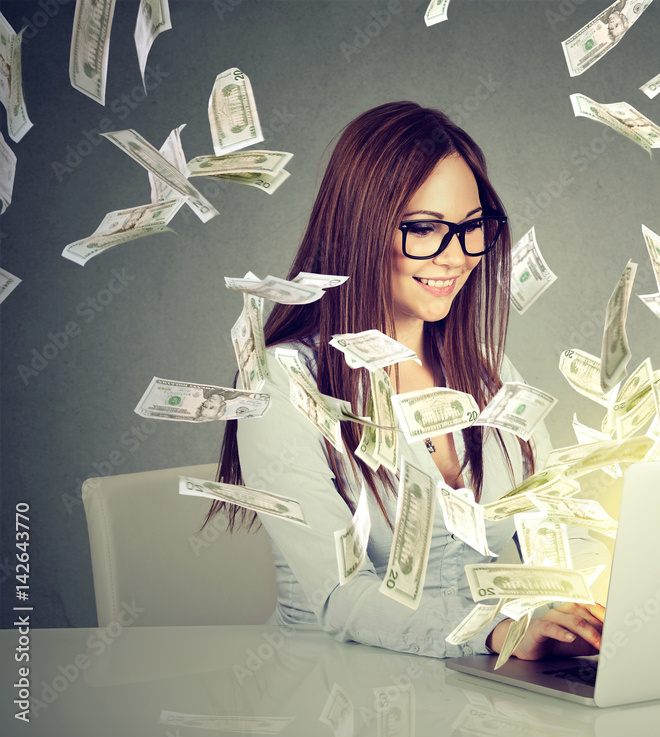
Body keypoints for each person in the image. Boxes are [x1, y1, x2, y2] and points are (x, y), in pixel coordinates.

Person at [205, 102, 608, 659]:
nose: (457, 257)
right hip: (330, 687)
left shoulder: (488, 371)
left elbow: (560, 527)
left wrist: (586, 608)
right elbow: (342, 595)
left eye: (471, 229)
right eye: (424, 229)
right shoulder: (281, 384)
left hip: (483, 677)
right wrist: (495, 633)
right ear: (359, 230)